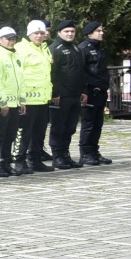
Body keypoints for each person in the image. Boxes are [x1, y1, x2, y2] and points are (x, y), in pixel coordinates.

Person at [16, 19, 54, 172]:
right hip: (27, 100)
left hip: (42, 99)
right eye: (36, 33)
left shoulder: (45, 48)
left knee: (39, 133)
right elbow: (18, 75)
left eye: (41, 33)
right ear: (29, 34)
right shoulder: (20, 48)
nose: (39, 36)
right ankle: (19, 161)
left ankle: (35, 160)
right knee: (23, 133)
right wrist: (21, 99)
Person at [48, 20, 87, 167]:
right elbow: (52, 73)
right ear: (59, 33)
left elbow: (80, 72)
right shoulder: (55, 49)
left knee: (70, 127)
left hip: (75, 94)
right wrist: (55, 93)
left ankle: (65, 154)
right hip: (61, 96)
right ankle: (57, 156)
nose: (70, 34)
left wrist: (83, 91)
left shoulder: (76, 49)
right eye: (66, 31)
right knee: (58, 127)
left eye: (72, 31)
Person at [0, 26, 25, 176]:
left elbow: (21, 80)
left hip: (15, 103)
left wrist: (22, 101)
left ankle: (5, 162)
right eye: (7, 39)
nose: (11, 41)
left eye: (13, 38)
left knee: (10, 135)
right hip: (2, 105)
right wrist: (2, 103)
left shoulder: (16, 55)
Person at [80, 21, 113, 165]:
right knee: (88, 124)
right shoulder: (84, 48)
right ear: (89, 33)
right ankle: (85, 153)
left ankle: (94, 151)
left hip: (101, 91)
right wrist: (84, 91)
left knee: (98, 124)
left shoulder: (99, 48)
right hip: (90, 92)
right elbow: (81, 72)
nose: (102, 33)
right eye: (98, 31)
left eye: (102, 30)